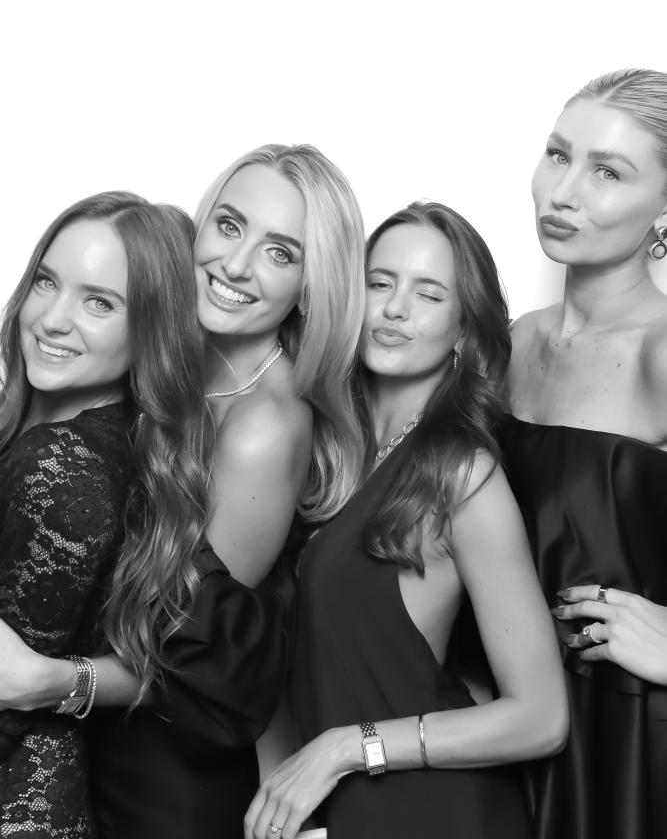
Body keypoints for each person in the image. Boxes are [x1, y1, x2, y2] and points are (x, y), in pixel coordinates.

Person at [245, 203, 567, 839]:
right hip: (333, 810)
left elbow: (541, 718)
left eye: (428, 294)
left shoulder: (462, 474)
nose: (395, 309)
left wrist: (347, 748)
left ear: (463, 330)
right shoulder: (324, 448)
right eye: (380, 282)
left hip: (434, 811)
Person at [0, 192, 208, 838]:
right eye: (47, 282)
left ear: (149, 330)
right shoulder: (108, 441)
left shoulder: (58, 469)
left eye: (99, 302)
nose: (53, 319)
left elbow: (8, 692)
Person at [502, 69, 667, 839]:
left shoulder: (660, 354)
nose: (562, 192)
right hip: (502, 726)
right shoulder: (510, 342)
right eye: (557, 155)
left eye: (607, 172)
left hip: (627, 742)